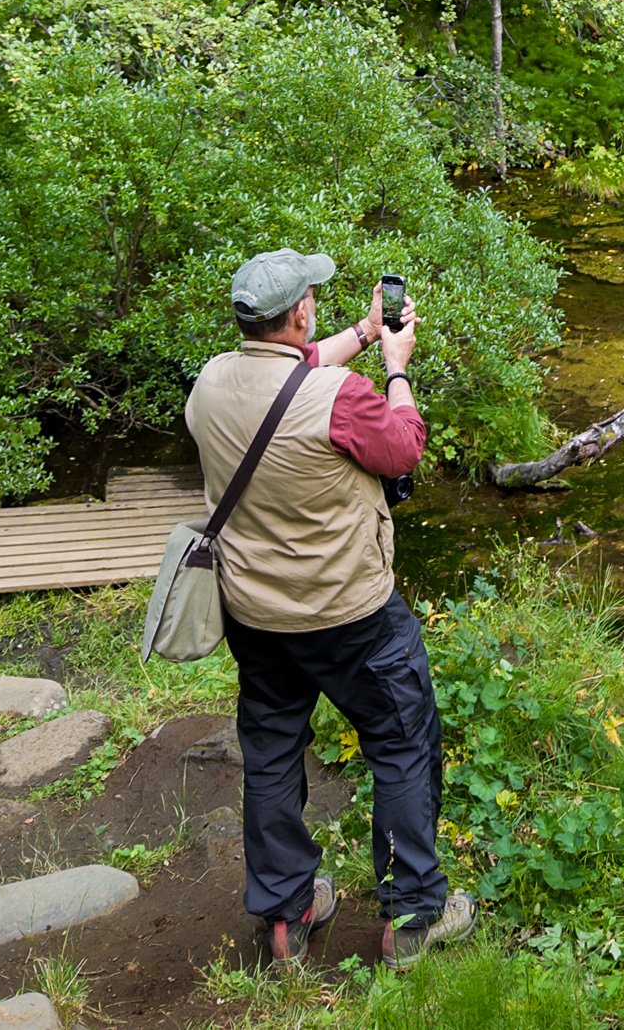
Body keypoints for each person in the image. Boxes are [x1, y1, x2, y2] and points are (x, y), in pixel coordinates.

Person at [185, 246, 477, 973]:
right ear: (299, 312)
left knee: (274, 752)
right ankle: (413, 917)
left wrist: (365, 330)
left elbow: (283, 380)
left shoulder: (211, 383)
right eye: (311, 297)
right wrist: (398, 365)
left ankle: (288, 915)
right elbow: (402, 448)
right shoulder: (342, 396)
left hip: (255, 615)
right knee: (402, 746)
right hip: (353, 618)